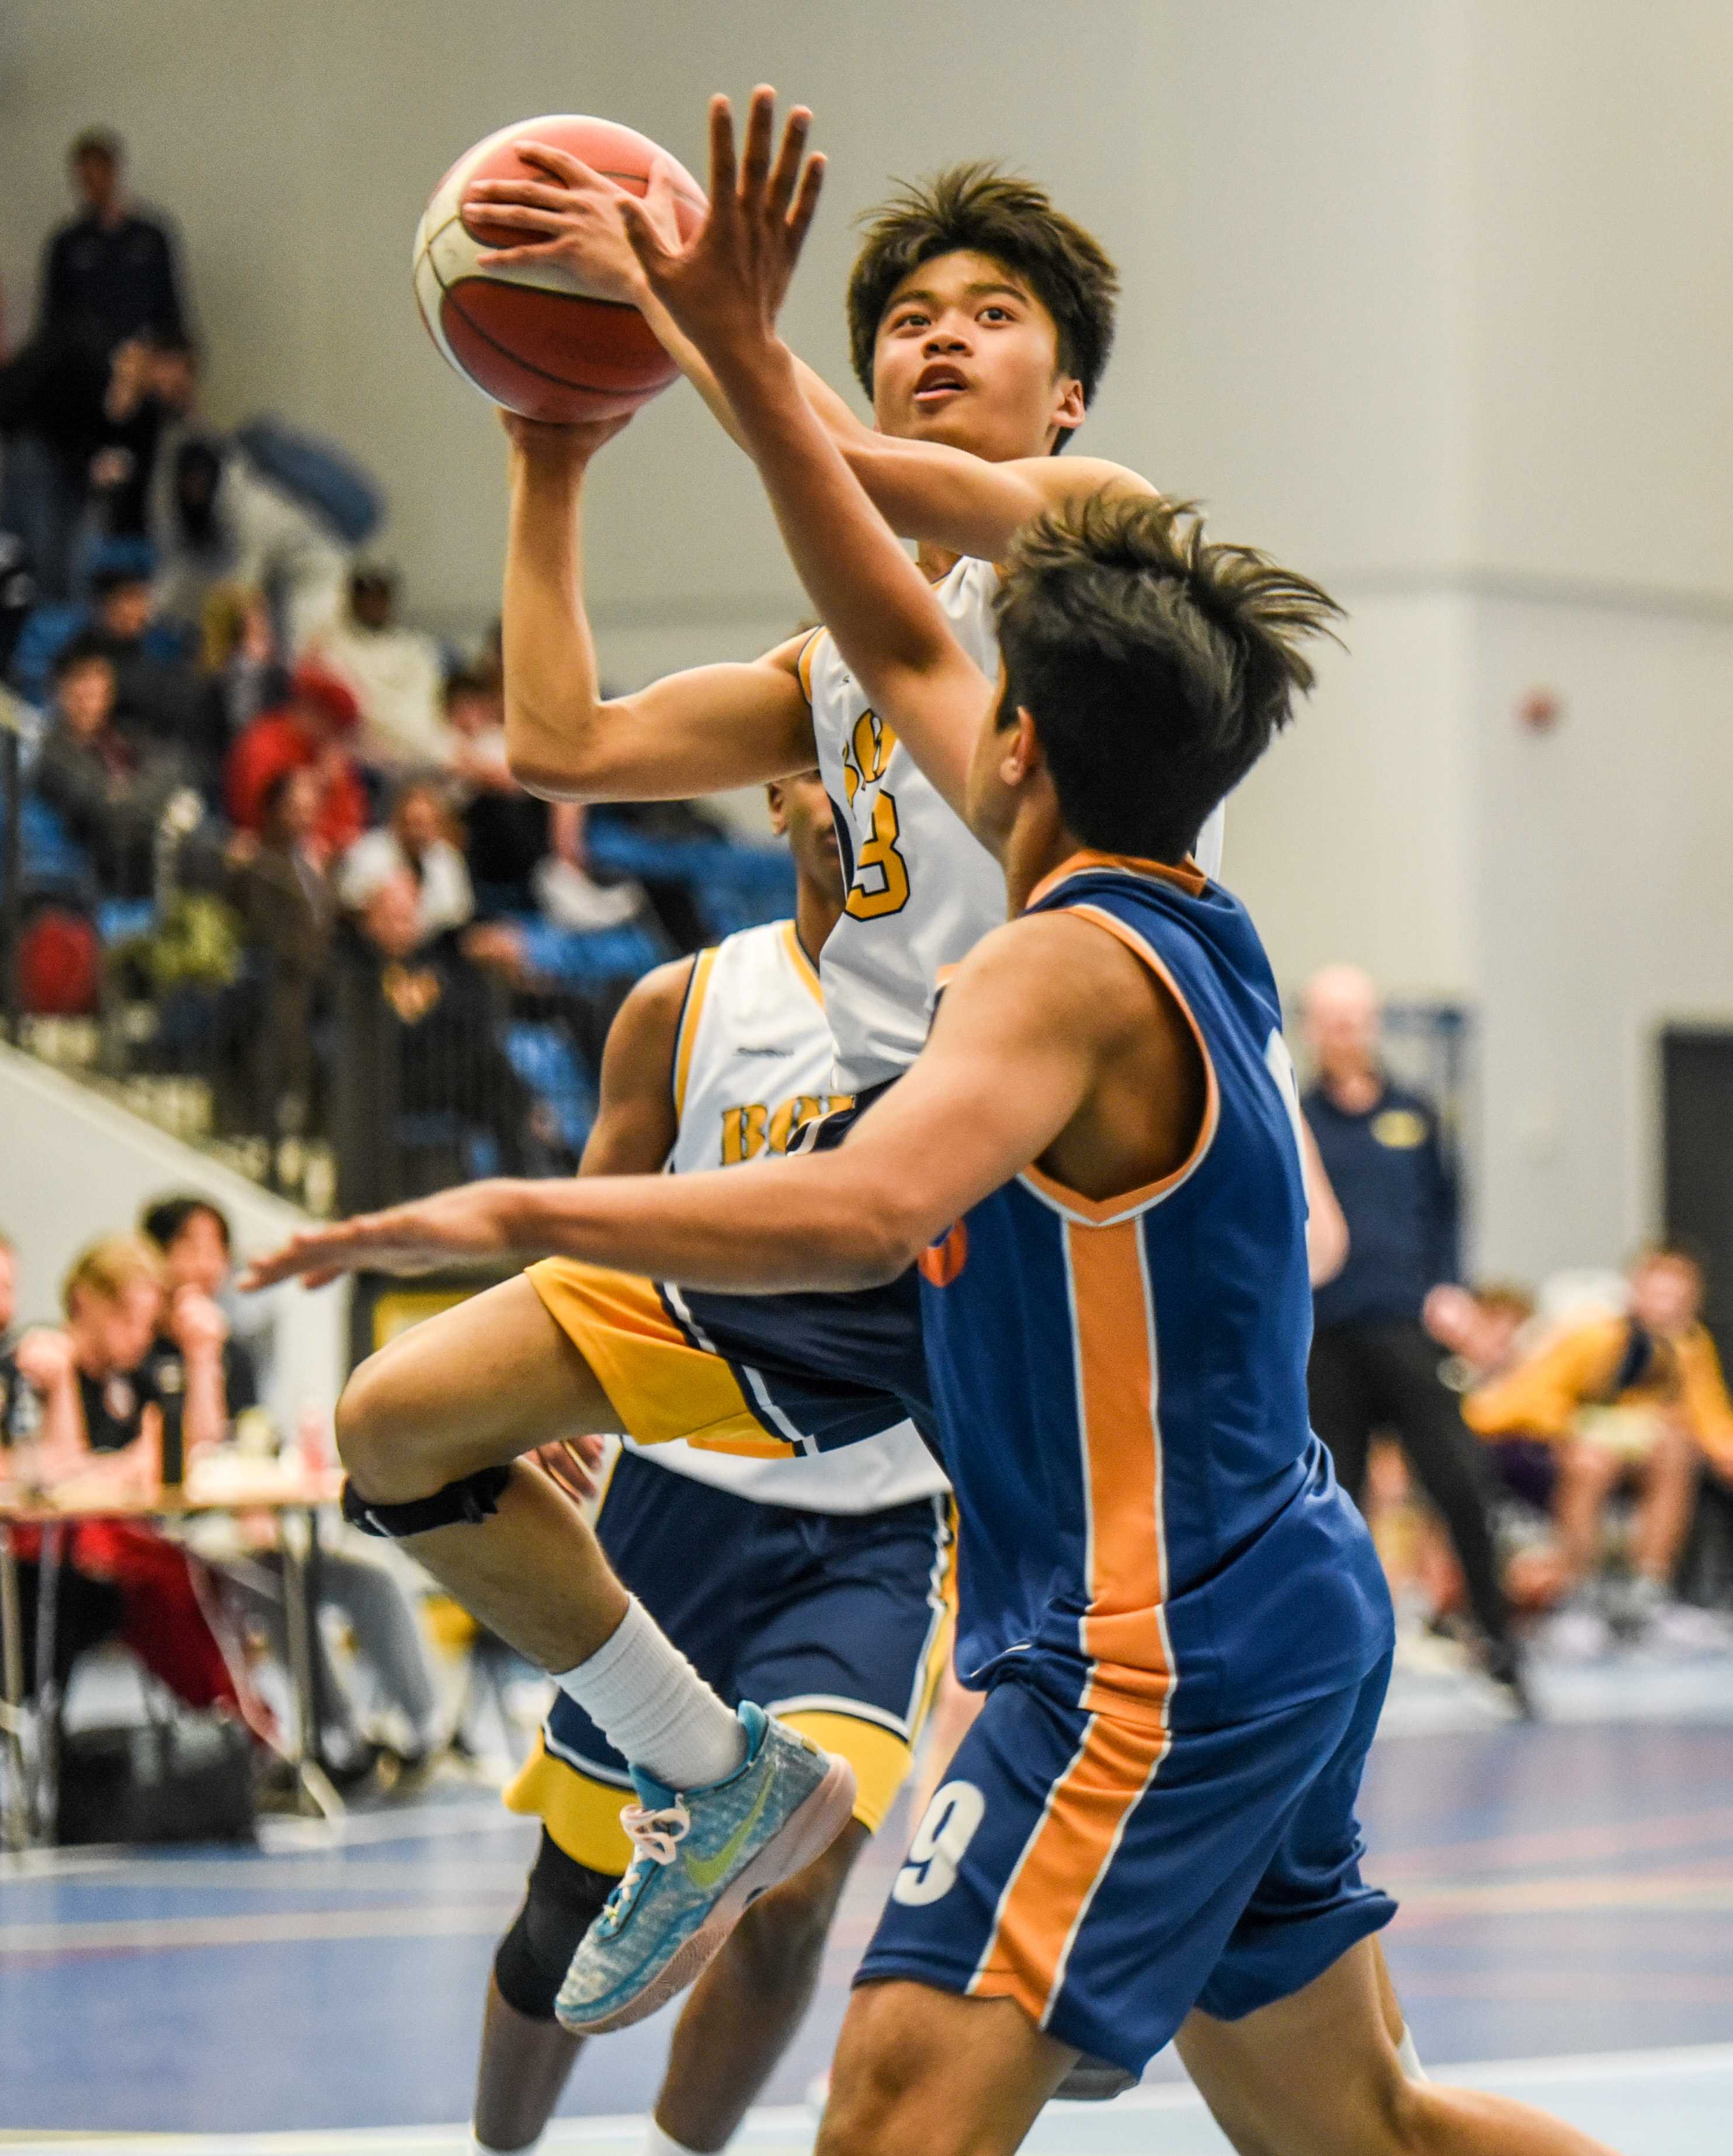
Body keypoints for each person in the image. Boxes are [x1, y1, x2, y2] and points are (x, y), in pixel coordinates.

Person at [246, 102, 1613, 2155]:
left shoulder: (1100, 585)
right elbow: (562, 735)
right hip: (953, 1262)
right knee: (400, 1420)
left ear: (1061, 400)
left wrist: (698, 326)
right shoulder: (876, 670)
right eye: (900, 317)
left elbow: (873, 505)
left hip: (945, 1230)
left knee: (889, 2096)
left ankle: (739, 1779)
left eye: (991, 318)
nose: (935, 340)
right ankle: (697, 1770)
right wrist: (552, 441)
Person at [475, 767, 951, 2156]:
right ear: (775, 791)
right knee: (571, 1895)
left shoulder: (973, 1012)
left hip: (876, 1522)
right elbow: (595, 1223)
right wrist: (535, 1384)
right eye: (827, 762)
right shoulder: (683, 1007)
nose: (857, 796)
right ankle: (496, 2145)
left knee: (800, 1883)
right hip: (675, 1507)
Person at [1300, 961, 1528, 1710]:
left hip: (1409, 1333)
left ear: (1372, 1025)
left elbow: (1448, 1211)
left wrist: (1451, 1289)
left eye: (1355, 1018)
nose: (1344, 1032)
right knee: (1334, 1504)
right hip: (1327, 1339)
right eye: (1331, 1019)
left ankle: (1498, 1647)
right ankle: (1332, 1672)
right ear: (1313, 1028)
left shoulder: (1417, 1114)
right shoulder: (1296, 1120)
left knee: (1461, 1482)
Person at [1451, 1249, 1733, 1655]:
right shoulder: (1592, 1337)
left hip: (1637, 1457)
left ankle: (1646, 1592)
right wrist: (1584, 1426)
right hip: (1552, 1455)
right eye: (1658, 1294)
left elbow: (1709, 1415)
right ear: (1636, 1291)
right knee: (1592, 1458)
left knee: (1675, 1449)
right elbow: (1523, 1400)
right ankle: (1575, 1596)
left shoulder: (1689, 1346)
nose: (1666, 1307)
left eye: (1677, 1298)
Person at [33, 636, 199, 898]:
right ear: (60, 689)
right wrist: (155, 800)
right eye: (82, 682)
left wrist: (128, 793)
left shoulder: (123, 737)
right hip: (102, 874)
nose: (91, 696)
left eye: (100, 685)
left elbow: (176, 767)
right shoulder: (53, 754)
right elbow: (107, 813)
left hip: (150, 856)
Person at [307, 564, 451, 773]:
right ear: (351, 600)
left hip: (423, 750)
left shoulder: (415, 649)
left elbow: (431, 706)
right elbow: (360, 709)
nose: (372, 603)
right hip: (365, 756)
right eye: (365, 596)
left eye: (379, 596)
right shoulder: (330, 647)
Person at [225, 660, 367, 860]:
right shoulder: (265, 741)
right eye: (330, 718)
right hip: (265, 852)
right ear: (308, 707)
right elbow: (256, 813)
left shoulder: (328, 755)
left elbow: (350, 826)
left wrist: (330, 840)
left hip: (325, 860)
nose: (334, 731)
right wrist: (321, 785)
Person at [338, 777, 475, 940]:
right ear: (396, 820)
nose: (417, 832)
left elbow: (458, 915)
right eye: (411, 823)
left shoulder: (447, 859)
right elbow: (351, 906)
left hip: (433, 948)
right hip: (371, 945)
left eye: (425, 824)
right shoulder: (369, 852)